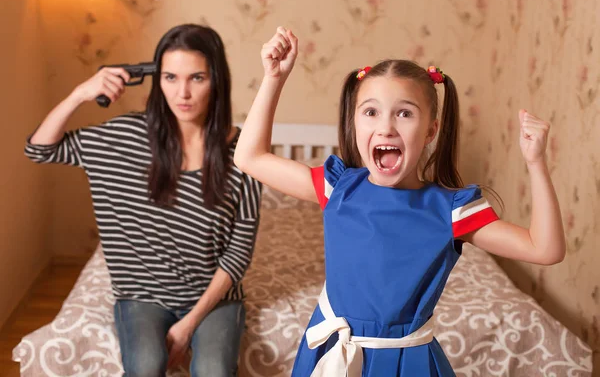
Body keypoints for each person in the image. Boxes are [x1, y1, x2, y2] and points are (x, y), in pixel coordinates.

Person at [234, 27, 566, 376]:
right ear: (354, 124)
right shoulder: (338, 188)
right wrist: (274, 78)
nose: (386, 127)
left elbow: (545, 249)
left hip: (407, 363)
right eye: (371, 112)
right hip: (332, 353)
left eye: (404, 113)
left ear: (431, 130)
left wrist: (536, 163)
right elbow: (250, 157)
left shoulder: (451, 210)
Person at [25, 24, 262, 377]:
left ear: (217, 80)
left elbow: (239, 251)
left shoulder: (243, 153)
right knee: (147, 366)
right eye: (170, 77)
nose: (182, 92)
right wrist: (80, 93)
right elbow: (39, 150)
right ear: (157, 79)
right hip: (141, 294)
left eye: (197, 78)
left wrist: (189, 324)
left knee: (214, 369)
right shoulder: (125, 138)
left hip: (212, 300)